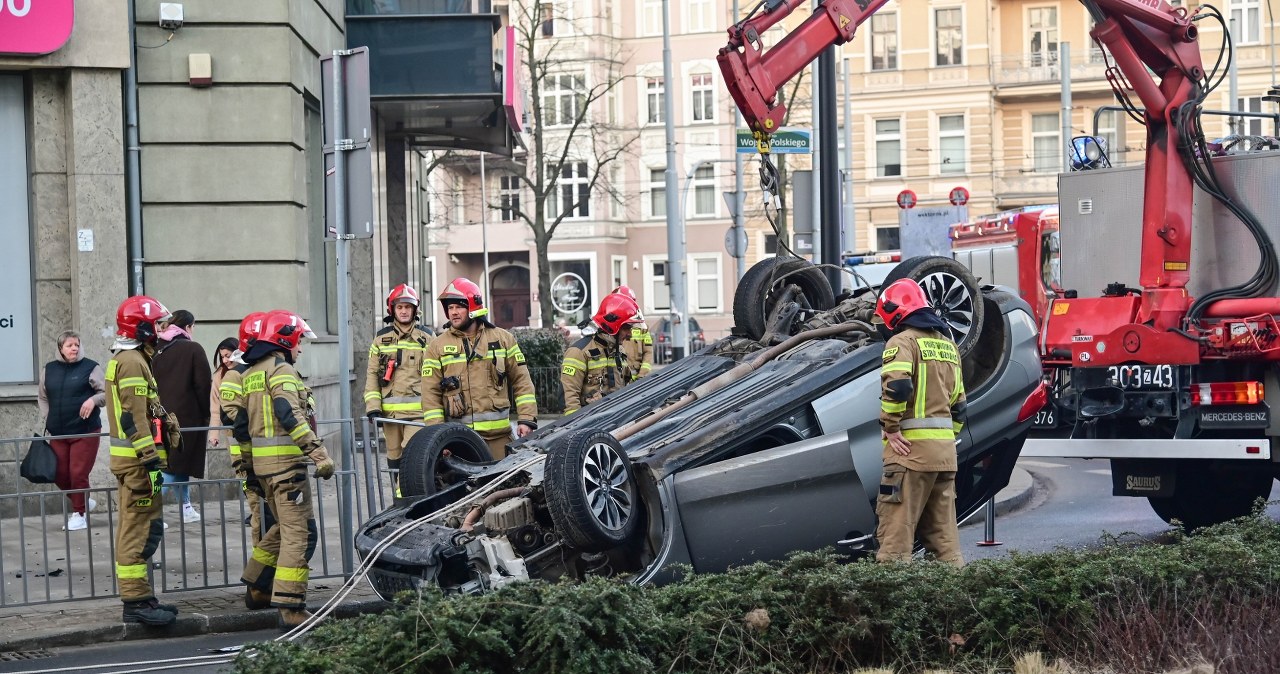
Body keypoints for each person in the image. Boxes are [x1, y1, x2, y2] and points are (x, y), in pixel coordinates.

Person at [235, 309, 335, 629]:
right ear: (285, 339)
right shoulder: (281, 371)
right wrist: (319, 454)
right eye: (299, 341)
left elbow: (240, 427)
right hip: (287, 469)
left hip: (264, 471)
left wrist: (249, 470)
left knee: (281, 530)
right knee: (299, 535)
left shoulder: (251, 373)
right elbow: (290, 415)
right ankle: (291, 608)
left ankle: (257, 586)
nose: (301, 349)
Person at [874, 278, 966, 567]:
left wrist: (891, 427)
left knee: (895, 544)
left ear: (894, 313)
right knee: (945, 545)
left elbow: (898, 387)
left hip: (909, 457)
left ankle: (893, 606)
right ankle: (955, 603)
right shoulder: (949, 347)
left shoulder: (901, 342)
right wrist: (946, 440)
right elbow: (960, 407)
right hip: (945, 457)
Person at [106, 295, 179, 626]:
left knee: (138, 528)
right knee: (139, 531)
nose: (163, 330)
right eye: (160, 325)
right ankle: (136, 602)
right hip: (139, 466)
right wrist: (151, 460)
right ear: (143, 327)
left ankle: (142, 597)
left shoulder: (129, 358)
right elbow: (132, 419)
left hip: (133, 464)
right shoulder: (133, 361)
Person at [421, 278, 537, 461]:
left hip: (499, 438)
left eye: (459, 307)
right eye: (450, 308)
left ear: (473, 307)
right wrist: (438, 436)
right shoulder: (437, 347)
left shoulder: (503, 339)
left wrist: (526, 418)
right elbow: (430, 394)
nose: (453, 313)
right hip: (458, 440)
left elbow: (522, 381)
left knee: (504, 486)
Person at [219, 312, 280, 610]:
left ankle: (267, 580)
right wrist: (249, 460)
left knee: (275, 520)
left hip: (271, 458)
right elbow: (232, 417)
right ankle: (258, 585)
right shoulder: (235, 373)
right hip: (249, 459)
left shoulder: (262, 368)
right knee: (261, 518)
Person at [364, 284, 434, 495]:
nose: (404, 311)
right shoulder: (380, 339)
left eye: (408, 307)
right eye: (400, 307)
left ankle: (405, 499)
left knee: (410, 453)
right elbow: (371, 375)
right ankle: (400, 496)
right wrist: (373, 407)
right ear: (392, 309)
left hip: (418, 413)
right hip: (390, 414)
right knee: (394, 457)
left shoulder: (428, 338)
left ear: (415, 310)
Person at [37, 330, 106, 531]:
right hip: (58, 431)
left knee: (78, 473)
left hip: (85, 430)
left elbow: (106, 393)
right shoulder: (49, 369)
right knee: (58, 473)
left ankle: (79, 514)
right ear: (60, 349)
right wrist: (47, 417)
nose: (74, 348)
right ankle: (83, 500)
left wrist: (92, 400)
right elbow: (42, 396)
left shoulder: (91, 367)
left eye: (76, 344)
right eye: (69, 345)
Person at [151, 309, 212, 524]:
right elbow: (203, 385)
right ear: (188, 327)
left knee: (178, 463)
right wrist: (207, 413)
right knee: (172, 466)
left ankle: (185, 506)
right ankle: (151, 511)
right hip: (187, 417)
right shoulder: (193, 349)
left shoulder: (156, 348)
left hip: (160, 417)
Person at [562, 293, 642, 415]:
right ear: (612, 326)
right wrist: (576, 426)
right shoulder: (578, 352)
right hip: (590, 423)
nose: (630, 334)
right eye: (626, 328)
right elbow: (570, 398)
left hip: (615, 420)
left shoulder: (618, 351)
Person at [610, 286, 653, 381]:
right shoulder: (610, 325)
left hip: (636, 381)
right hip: (616, 381)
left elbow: (648, 353)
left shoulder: (641, 327)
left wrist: (642, 376)